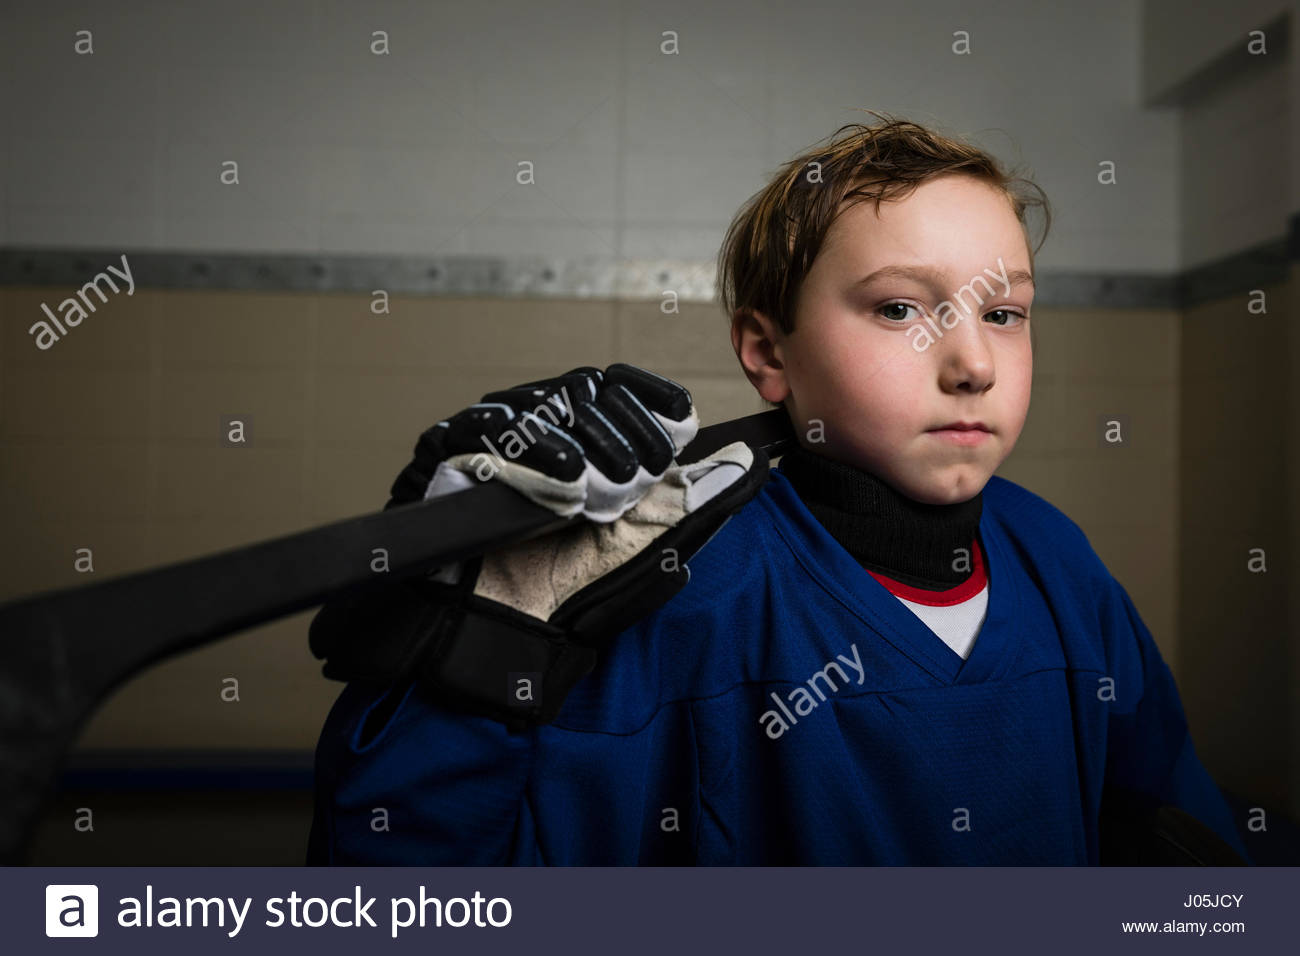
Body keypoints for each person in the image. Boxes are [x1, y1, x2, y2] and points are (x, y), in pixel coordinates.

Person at [305, 111, 1249, 865]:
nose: (971, 362)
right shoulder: (668, 592)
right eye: (898, 309)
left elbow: (1183, 847)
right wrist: (462, 654)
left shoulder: (1061, 567)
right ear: (768, 352)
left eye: (1004, 312)